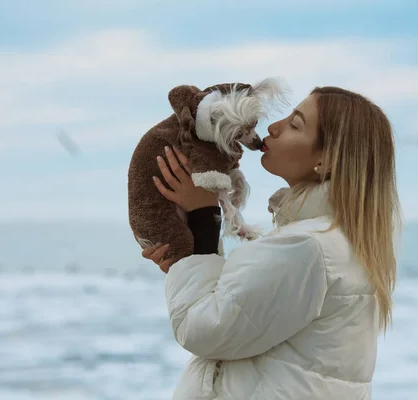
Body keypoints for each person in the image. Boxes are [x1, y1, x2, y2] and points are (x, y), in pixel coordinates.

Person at [143, 86, 402, 399]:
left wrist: (203, 214)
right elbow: (240, 319)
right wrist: (189, 262)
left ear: (326, 159)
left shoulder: (307, 248)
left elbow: (201, 329)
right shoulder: (336, 242)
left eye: (295, 125)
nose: (273, 128)